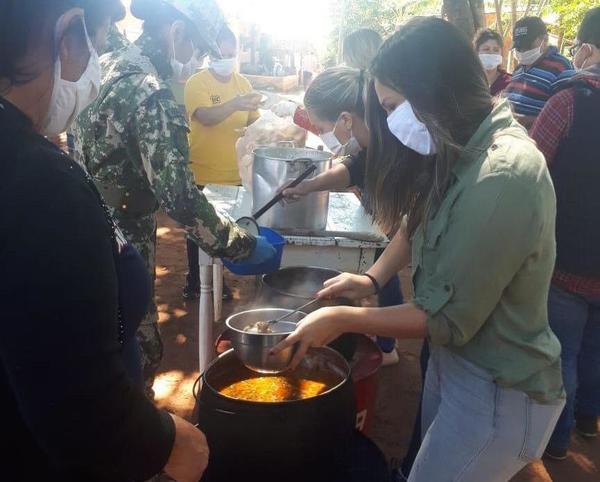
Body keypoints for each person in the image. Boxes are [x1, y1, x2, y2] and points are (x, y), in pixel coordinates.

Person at [273, 17, 565, 481]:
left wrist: (344, 317)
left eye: (391, 106)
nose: (389, 122)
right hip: (456, 367)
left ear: (431, 90)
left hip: (499, 388)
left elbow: (444, 318)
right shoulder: (461, 146)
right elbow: (416, 222)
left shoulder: (501, 175)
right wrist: (371, 279)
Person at [0, 1, 210, 480]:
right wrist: (171, 443)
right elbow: (77, 405)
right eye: (95, 40)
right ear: (69, 35)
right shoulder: (38, 185)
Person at [72, 0, 275, 396]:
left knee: (101, 337)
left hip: (86, 225)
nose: (197, 57)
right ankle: (135, 439)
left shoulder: (109, 64)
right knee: (137, 344)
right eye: (197, 46)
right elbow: (180, 198)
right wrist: (240, 243)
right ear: (177, 32)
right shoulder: (150, 93)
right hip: (126, 237)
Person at [281, 67, 408, 364]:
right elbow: (352, 167)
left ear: (346, 119)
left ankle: (387, 348)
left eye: (321, 127)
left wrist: (347, 318)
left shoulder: (398, 143)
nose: (322, 136)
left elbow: (410, 229)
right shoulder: (370, 140)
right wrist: (310, 185)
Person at [530, 6, 600, 461]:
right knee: (595, 347)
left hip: (568, 260)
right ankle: (589, 420)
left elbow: (529, 172)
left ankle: (556, 442)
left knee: (562, 352)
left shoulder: (567, 101)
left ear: (588, 50)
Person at [183, 26, 261, 300]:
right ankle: (196, 280)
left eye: (232, 52)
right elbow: (205, 116)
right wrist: (236, 103)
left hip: (236, 173)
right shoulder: (197, 82)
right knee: (200, 230)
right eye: (221, 52)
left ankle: (222, 279)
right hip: (203, 171)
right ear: (210, 52)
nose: (227, 57)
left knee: (232, 227)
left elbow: (254, 122)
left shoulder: (243, 83)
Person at [274, 28, 383, 135]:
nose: (345, 63)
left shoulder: (366, 92)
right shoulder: (379, 89)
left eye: (347, 58)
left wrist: (295, 112)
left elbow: (329, 123)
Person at [504, 16, 574, 129]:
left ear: (544, 40)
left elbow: (566, 117)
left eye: (527, 46)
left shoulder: (561, 68)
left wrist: (524, 121)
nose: (522, 51)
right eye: (519, 47)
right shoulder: (519, 68)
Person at [473, 28, 511, 96]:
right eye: (486, 49)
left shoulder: (509, 82)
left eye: (496, 50)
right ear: (476, 52)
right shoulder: (470, 81)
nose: (491, 53)